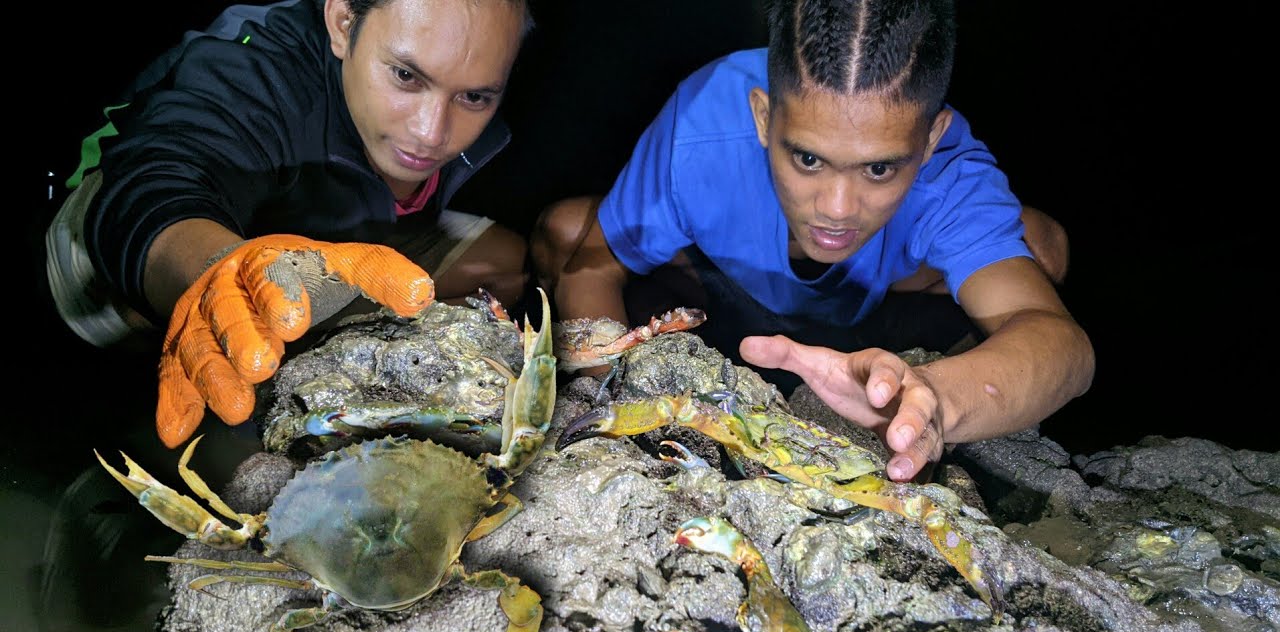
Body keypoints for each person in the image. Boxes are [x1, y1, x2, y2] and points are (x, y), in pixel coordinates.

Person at [531, 0, 1095, 483]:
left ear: (930, 142)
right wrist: (612, 418)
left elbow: (1063, 345)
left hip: (875, 318)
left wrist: (937, 401)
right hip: (724, 293)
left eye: (879, 169)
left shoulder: (947, 171)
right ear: (762, 118)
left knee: (1042, 247)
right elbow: (594, 265)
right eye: (807, 159)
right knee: (566, 230)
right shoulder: (704, 129)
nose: (837, 208)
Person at [44, 0, 534, 450]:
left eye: (473, 97)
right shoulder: (256, 67)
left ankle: (345, 376)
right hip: (110, 245)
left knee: (501, 260)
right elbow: (163, 176)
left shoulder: (469, 73)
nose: (431, 133)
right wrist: (221, 271)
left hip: (332, 225)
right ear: (344, 21)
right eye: (406, 75)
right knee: (219, 317)